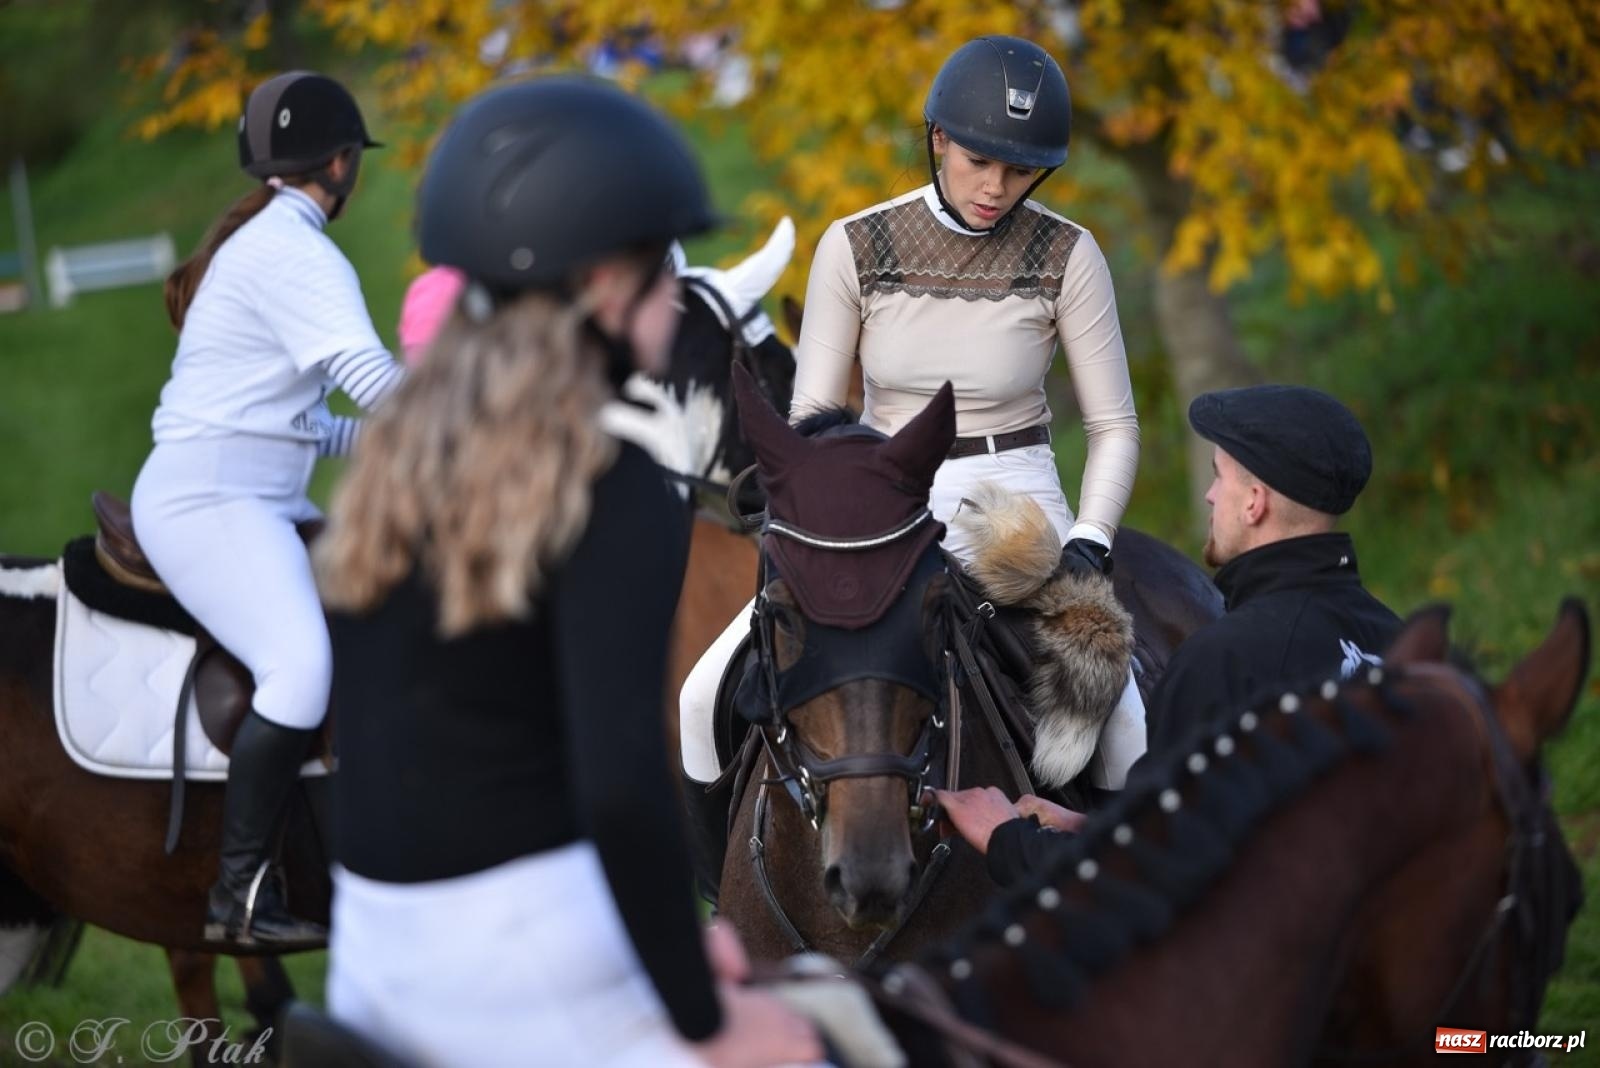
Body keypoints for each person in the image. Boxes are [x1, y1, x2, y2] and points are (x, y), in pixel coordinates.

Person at [313, 77, 822, 1068]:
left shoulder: (404, 442)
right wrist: (702, 1017)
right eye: (658, 270)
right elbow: (621, 787)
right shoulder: (606, 469)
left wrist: (669, 953)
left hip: (374, 954)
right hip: (523, 954)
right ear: (598, 284)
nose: (675, 301)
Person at [678, 36, 1146, 854]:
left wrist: (1091, 543)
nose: (996, 188)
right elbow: (817, 413)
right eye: (977, 160)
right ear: (937, 139)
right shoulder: (855, 246)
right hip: (882, 497)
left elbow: (1113, 427)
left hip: (1021, 502)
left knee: (1124, 718)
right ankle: (728, 885)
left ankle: (1113, 886)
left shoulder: (1069, 254)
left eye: (1020, 170)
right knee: (698, 696)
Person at [130, 70, 402, 948]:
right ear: (339, 162)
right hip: (213, 502)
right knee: (300, 668)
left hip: (256, 491)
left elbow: (308, 426)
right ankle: (238, 894)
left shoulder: (267, 242)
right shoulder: (296, 254)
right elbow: (370, 382)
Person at [938, 383, 1402, 886]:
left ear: (1254, 504)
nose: (1209, 494)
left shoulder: (1225, 661)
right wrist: (1099, 828)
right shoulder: (1399, 643)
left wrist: (1005, 838)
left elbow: (1142, 883)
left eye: (1218, 477)